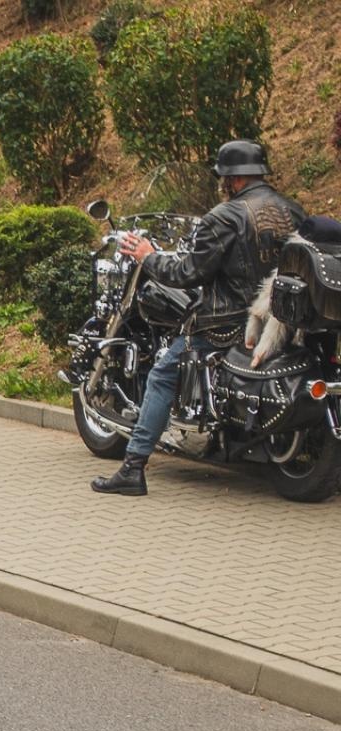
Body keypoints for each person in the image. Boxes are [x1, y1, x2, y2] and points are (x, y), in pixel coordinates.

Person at [91, 140, 306, 496]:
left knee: (162, 374)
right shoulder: (292, 211)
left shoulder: (225, 216)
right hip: (281, 318)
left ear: (231, 179)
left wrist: (148, 256)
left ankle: (132, 468)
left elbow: (189, 273)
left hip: (227, 324)